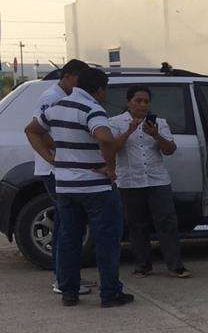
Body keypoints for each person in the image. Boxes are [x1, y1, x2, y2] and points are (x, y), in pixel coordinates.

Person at [28, 67, 132, 307]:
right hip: (95, 188)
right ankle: (109, 293)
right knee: (106, 240)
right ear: (99, 90)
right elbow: (105, 138)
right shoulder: (92, 109)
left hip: (65, 187)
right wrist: (110, 167)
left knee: (69, 240)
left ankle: (69, 292)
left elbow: (32, 130)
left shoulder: (56, 108)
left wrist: (51, 158)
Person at [23, 58, 91, 296]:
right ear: (69, 76)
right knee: (66, 226)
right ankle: (62, 280)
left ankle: (67, 277)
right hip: (55, 170)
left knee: (68, 225)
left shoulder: (65, 96)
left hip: (62, 168)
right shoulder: (51, 98)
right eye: (79, 80)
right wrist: (58, 156)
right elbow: (45, 134)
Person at [108, 85, 190, 278]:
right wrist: (129, 131)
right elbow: (112, 148)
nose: (143, 105)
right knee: (137, 225)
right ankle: (143, 265)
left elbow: (170, 149)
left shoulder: (159, 123)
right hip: (130, 181)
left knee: (167, 223)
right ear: (129, 102)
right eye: (138, 101)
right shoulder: (115, 122)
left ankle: (175, 265)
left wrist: (155, 134)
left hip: (157, 180)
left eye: (146, 101)